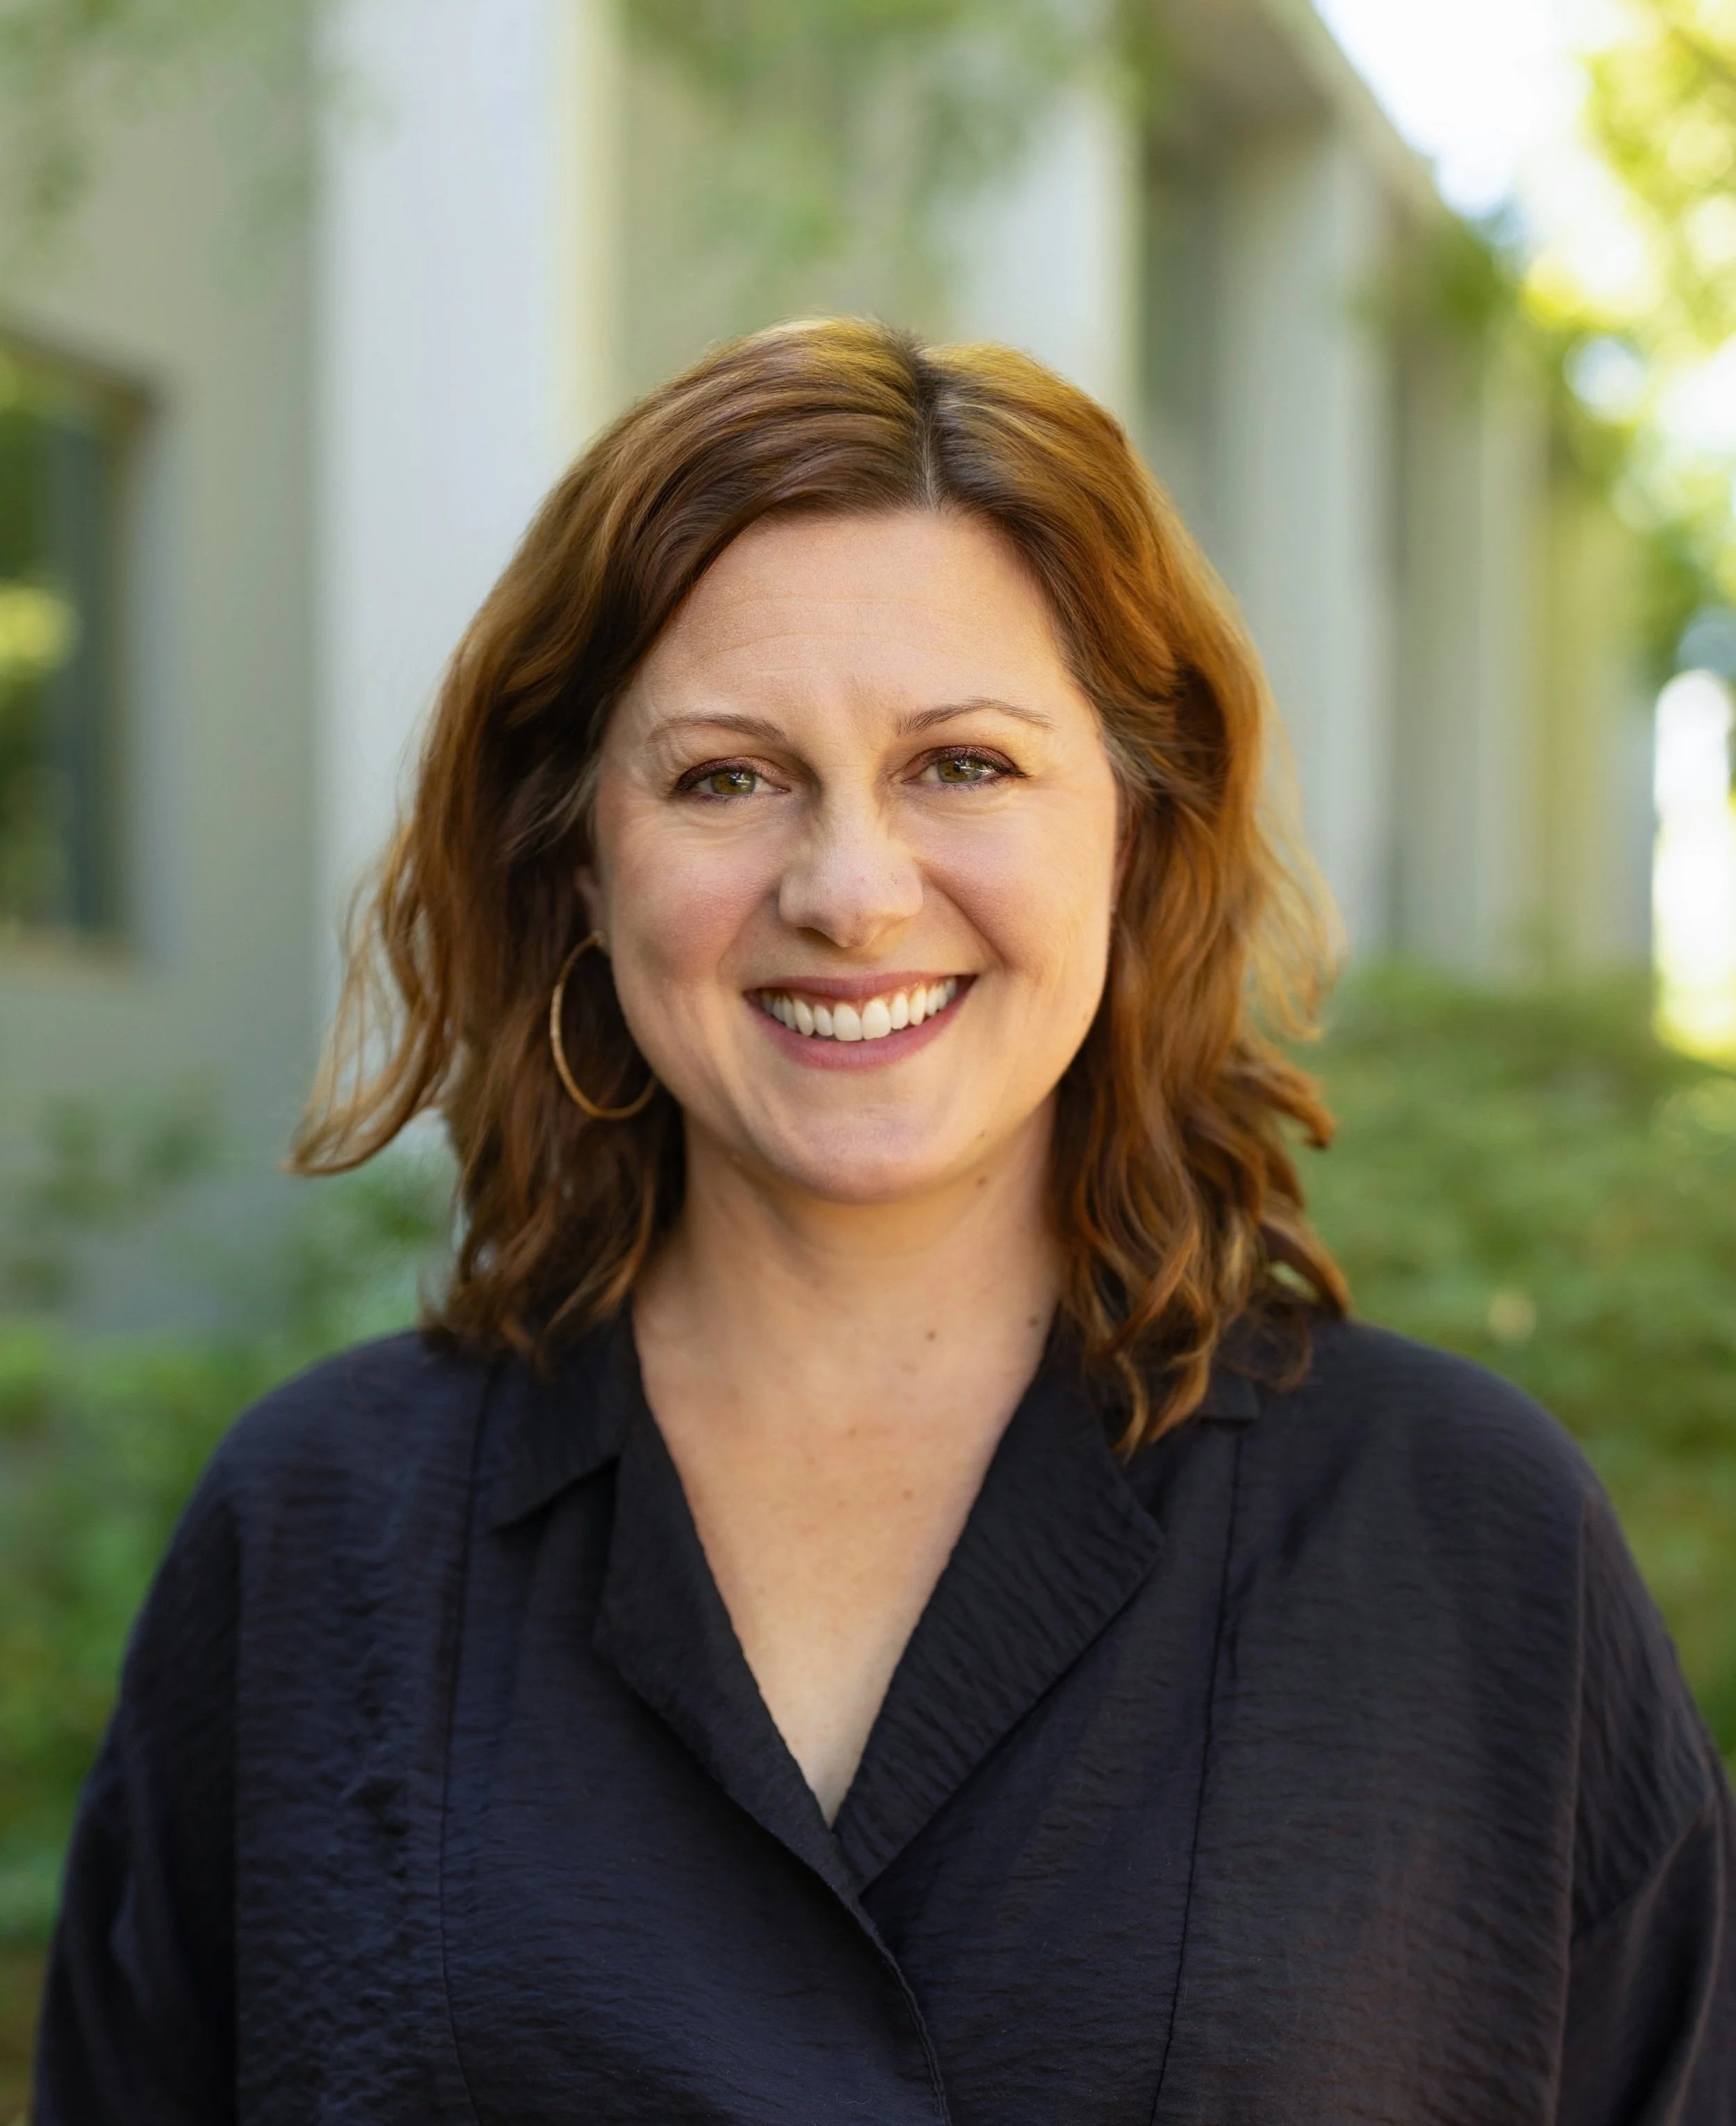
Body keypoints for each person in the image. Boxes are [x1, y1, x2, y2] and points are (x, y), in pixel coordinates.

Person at [33, 319, 1735, 2124]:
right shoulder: (318, 1542)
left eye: (963, 766)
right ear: (580, 865)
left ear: (1135, 837)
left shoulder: (1465, 1543)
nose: (849, 891)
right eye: (725, 778)